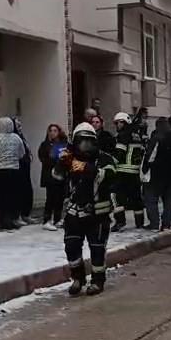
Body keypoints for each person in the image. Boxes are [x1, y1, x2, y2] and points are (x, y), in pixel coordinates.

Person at [53, 122, 117, 296]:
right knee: (71, 246)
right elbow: (57, 177)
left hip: (98, 214)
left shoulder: (104, 158)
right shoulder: (70, 158)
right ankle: (77, 278)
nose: (85, 145)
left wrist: (87, 168)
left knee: (97, 249)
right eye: (82, 141)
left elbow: (110, 174)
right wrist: (61, 162)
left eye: (89, 141)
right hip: (74, 213)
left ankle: (97, 281)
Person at [142, 117, 171, 231]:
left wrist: (145, 169)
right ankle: (166, 224)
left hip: (156, 174)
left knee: (151, 199)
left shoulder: (157, 138)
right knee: (168, 201)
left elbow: (150, 157)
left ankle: (154, 223)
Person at [0, 117, 26, 229]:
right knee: (12, 196)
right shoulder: (17, 138)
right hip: (14, 171)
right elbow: (22, 154)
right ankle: (10, 220)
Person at [110, 112, 147, 231]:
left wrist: (110, 164)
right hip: (134, 172)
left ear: (124, 122)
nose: (117, 125)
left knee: (116, 196)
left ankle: (120, 222)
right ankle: (139, 222)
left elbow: (119, 153)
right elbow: (142, 151)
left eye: (118, 123)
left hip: (122, 171)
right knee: (136, 198)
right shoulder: (136, 135)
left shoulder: (123, 135)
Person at [38, 124, 68, 231]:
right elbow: (43, 158)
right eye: (50, 130)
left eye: (55, 130)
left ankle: (57, 219)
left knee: (60, 198)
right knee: (50, 198)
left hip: (61, 174)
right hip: (50, 175)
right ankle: (47, 220)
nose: (52, 133)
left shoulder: (63, 144)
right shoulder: (45, 145)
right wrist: (54, 159)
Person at [13, 118, 34, 226]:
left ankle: (26, 214)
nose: (20, 127)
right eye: (18, 125)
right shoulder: (14, 138)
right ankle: (19, 216)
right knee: (19, 192)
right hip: (19, 167)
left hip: (26, 166)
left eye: (20, 125)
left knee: (28, 190)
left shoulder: (22, 137)